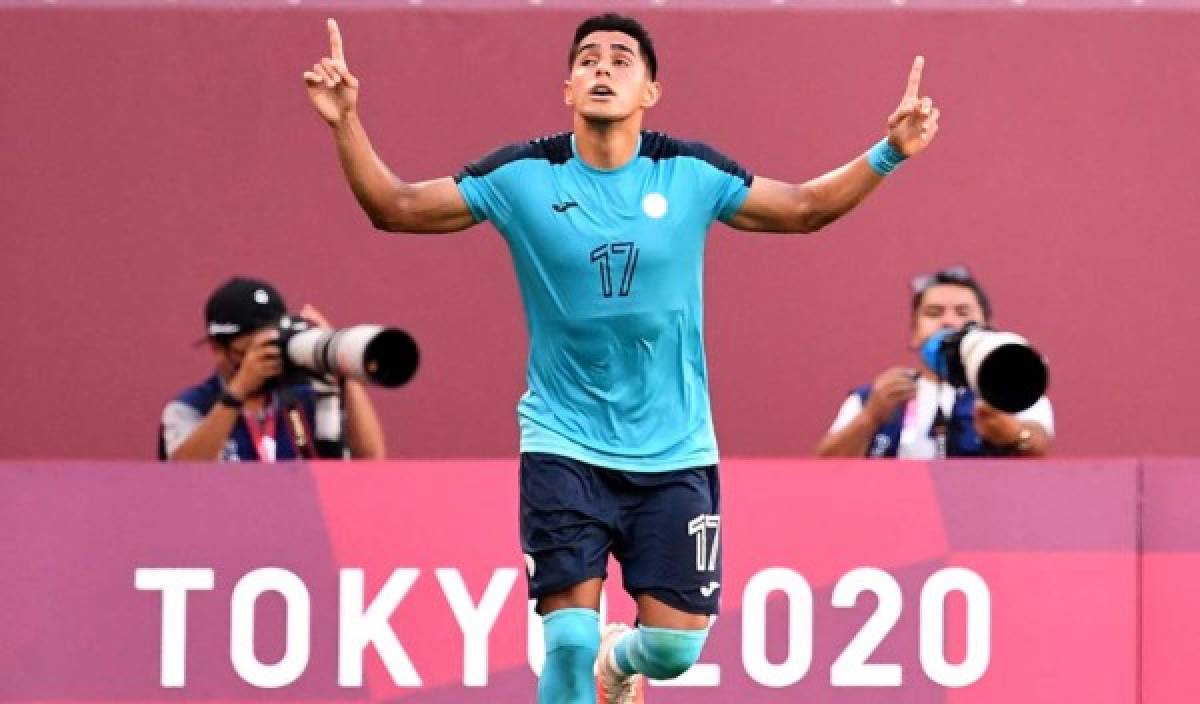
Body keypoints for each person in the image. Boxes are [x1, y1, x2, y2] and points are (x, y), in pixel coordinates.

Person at [303, 12, 939, 703]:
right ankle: (591, 658)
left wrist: (890, 151)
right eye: (588, 60)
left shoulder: (691, 173)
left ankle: (620, 662)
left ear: (651, 91)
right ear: (568, 88)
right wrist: (344, 121)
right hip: (562, 441)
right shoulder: (521, 176)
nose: (603, 68)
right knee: (567, 641)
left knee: (672, 651)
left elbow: (806, 207)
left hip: (674, 451)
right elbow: (394, 206)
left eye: (621, 59)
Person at [816, 266, 1054, 459]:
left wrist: (1014, 434)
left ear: (988, 327)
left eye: (963, 313)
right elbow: (825, 469)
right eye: (934, 312)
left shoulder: (1012, 385)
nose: (949, 322)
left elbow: (1040, 447)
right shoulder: (876, 396)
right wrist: (870, 417)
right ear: (914, 333)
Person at [159, 276, 386, 462]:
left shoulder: (306, 398)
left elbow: (369, 460)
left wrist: (340, 366)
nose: (270, 357)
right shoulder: (191, 407)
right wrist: (238, 390)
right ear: (218, 349)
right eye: (255, 349)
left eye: (274, 345)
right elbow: (183, 475)